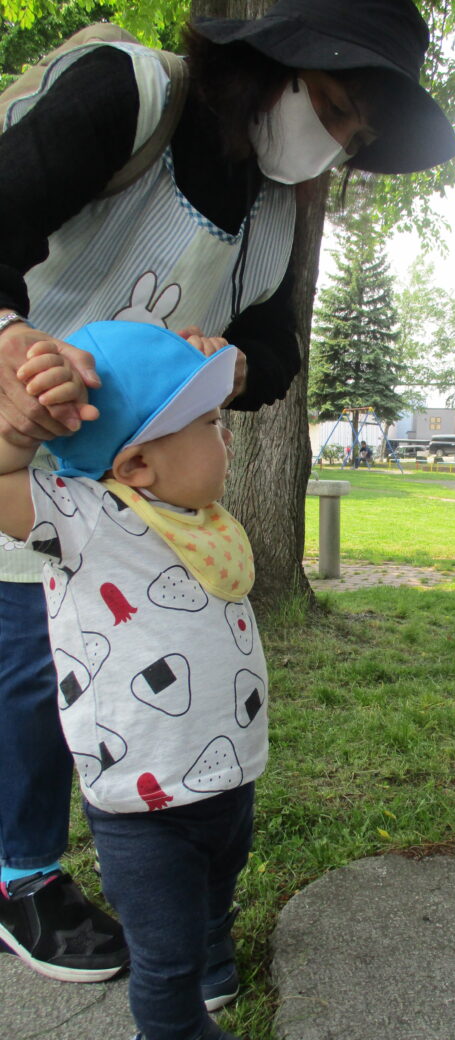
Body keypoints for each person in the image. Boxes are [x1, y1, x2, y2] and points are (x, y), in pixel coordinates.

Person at [0, 0, 455, 988]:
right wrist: (7, 342)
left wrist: (235, 365)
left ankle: (152, 852)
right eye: (336, 106)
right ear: (268, 61)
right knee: (29, 665)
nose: (335, 142)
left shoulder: (269, 213)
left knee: (105, 652)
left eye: (359, 135)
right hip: (19, 426)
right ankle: (25, 873)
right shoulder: (130, 95)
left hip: (140, 476)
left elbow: (279, 349)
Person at [0, 320, 273, 1040]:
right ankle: (175, 1022)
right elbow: (2, 479)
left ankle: (215, 953)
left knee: (218, 890)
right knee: (165, 956)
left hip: (228, 776)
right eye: (210, 425)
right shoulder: (85, 520)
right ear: (138, 467)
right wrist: (18, 431)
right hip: (143, 803)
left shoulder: (196, 518)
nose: (227, 437)